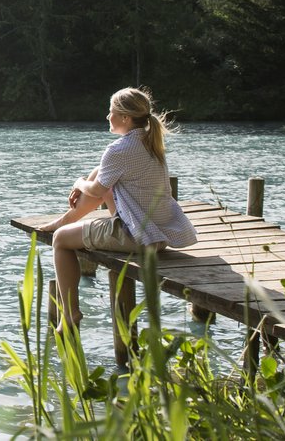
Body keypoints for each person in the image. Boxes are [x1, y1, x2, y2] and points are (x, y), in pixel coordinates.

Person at [36, 87, 197, 331]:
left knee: (60, 240)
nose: (107, 116)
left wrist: (79, 182)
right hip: (160, 233)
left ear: (125, 118)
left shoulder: (119, 150)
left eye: (110, 112)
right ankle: (66, 219)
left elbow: (97, 191)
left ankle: (70, 315)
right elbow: (103, 180)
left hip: (138, 237)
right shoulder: (150, 142)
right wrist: (88, 183)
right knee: (102, 180)